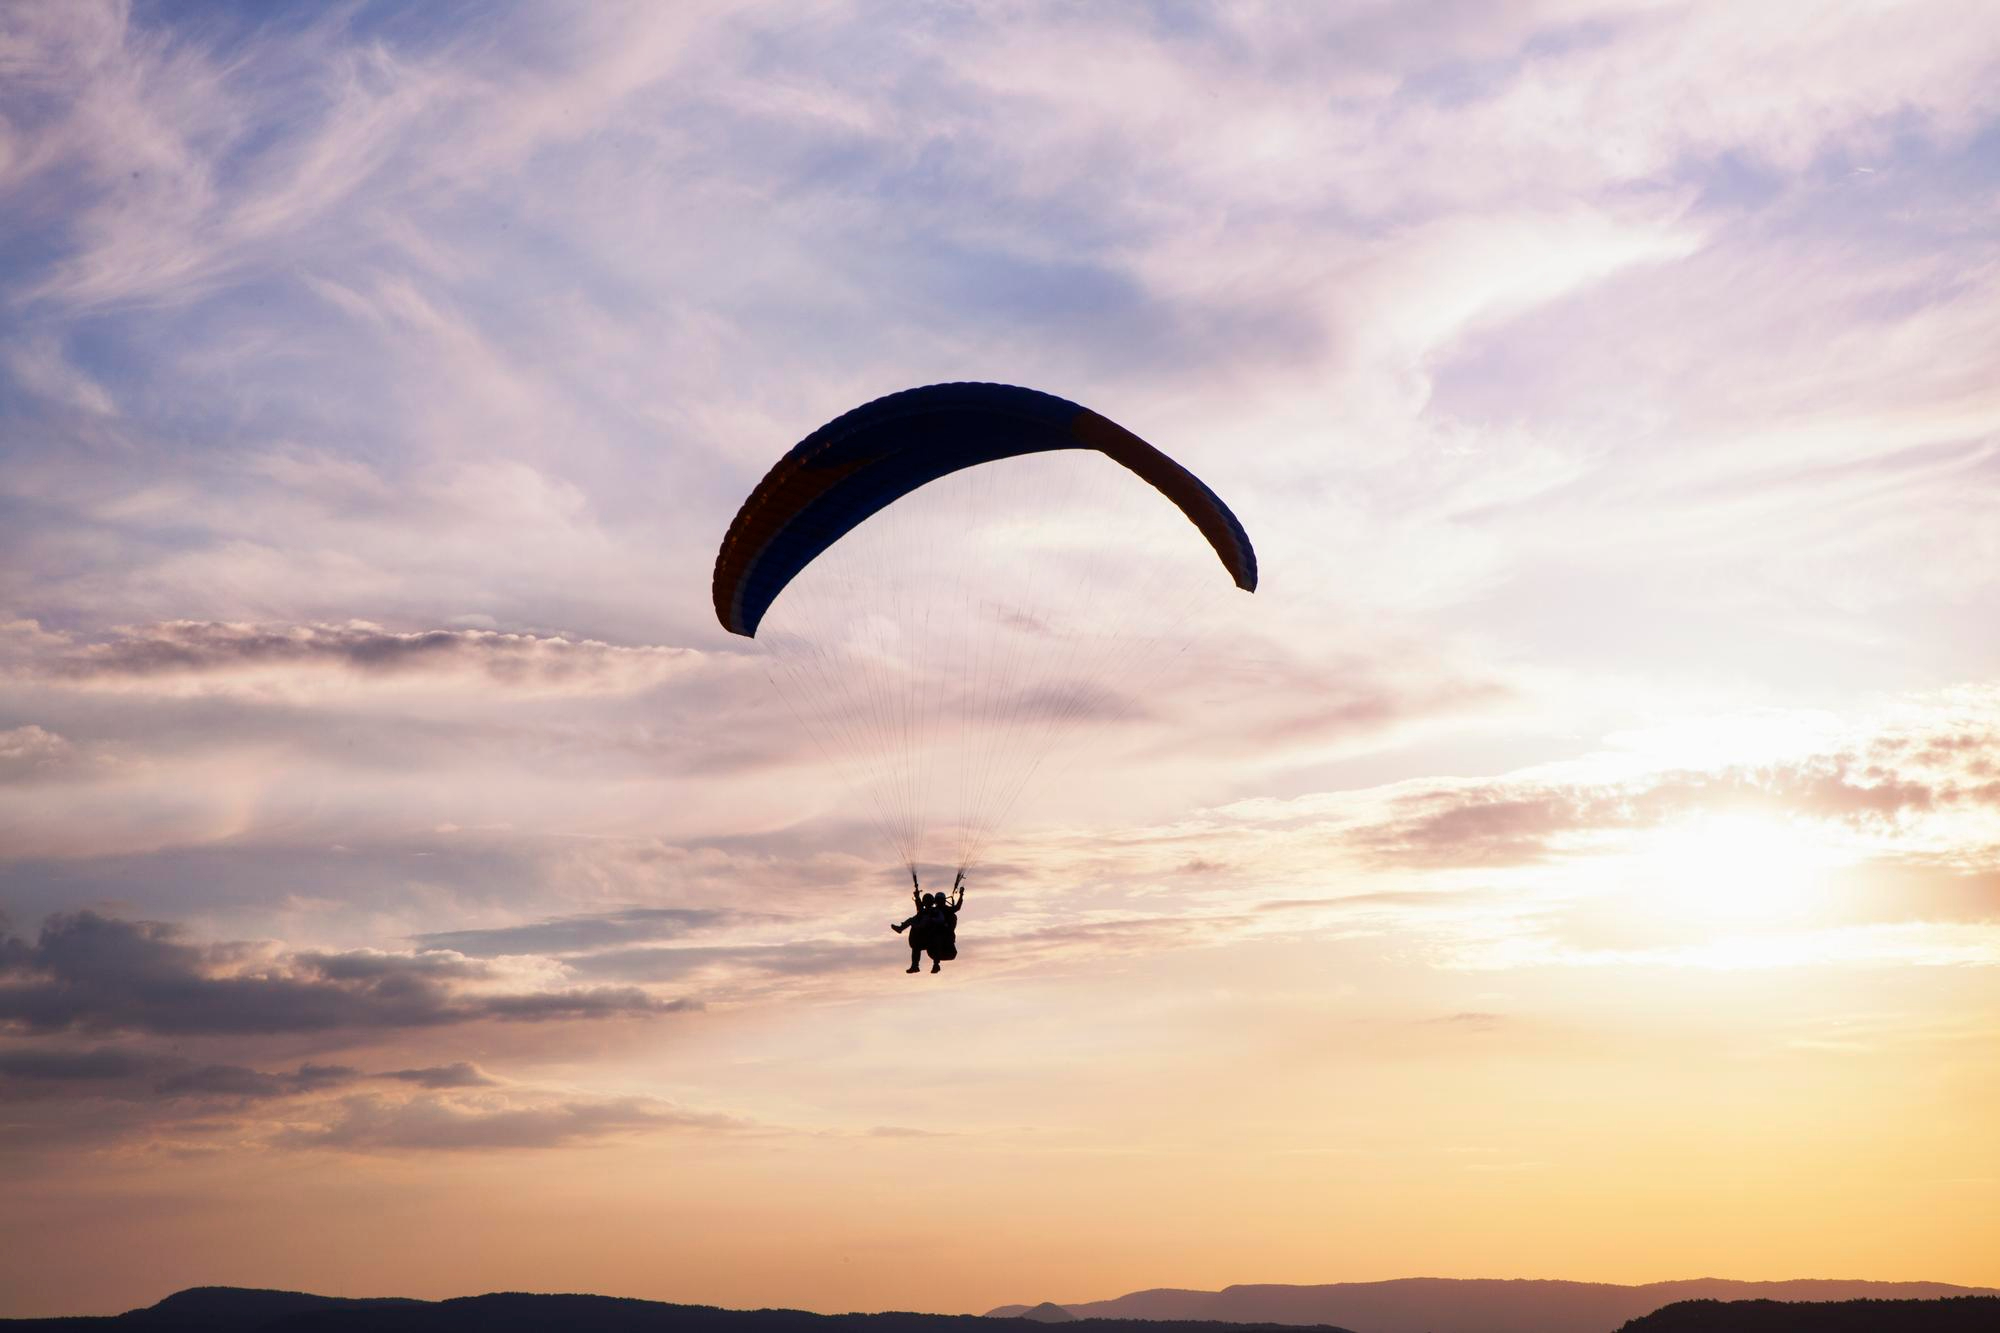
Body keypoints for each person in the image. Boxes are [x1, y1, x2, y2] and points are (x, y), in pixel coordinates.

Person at [891, 871, 965, 974]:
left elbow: (956, 908)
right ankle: (915, 966)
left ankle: (936, 965)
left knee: (937, 939)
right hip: (928, 936)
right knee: (916, 944)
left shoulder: (942, 911)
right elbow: (921, 909)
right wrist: (917, 897)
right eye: (937, 901)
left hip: (940, 935)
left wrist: (961, 896)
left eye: (940, 901)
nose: (939, 903)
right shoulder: (931, 910)